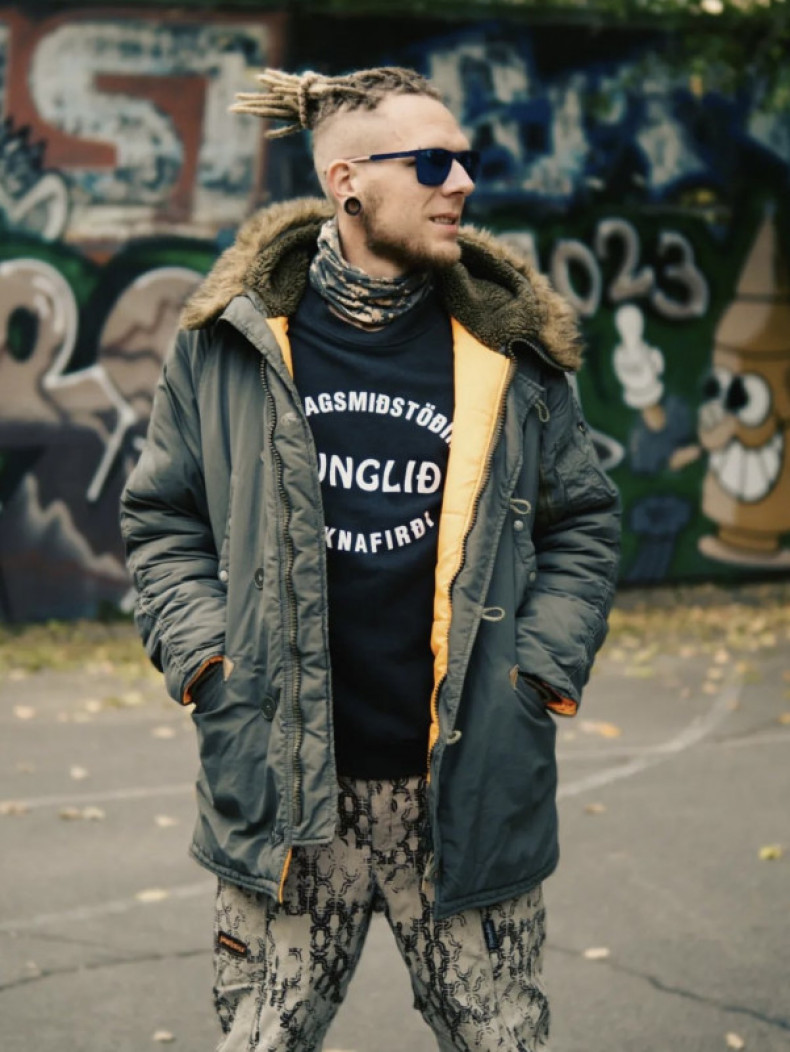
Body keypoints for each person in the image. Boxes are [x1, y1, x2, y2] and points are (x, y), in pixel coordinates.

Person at [120, 65, 621, 1052]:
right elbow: (162, 518)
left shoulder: (506, 343)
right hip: (286, 792)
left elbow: (584, 522)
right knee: (260, 1038)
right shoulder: (229, 342)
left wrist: (538, 673)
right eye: (431, 163)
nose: (461, 182)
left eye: (465, 161)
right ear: (347, 181)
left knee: (503, 1040)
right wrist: (210, 664)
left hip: (466, 792)